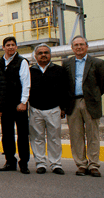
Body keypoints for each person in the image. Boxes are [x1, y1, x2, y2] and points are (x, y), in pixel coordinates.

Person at [63, 36, 104, 177]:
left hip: (90, 103)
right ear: (72, 48)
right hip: (73, 103)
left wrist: (93, 96)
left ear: (87, 46)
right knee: (76, 135)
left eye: (81, 44)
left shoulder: (97, 63)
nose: (79, 47)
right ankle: (81, 165)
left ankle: (93, 165)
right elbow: (64, 84)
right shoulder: (67, 63)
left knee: (93, 135)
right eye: (76, 45)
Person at [29, 44, 68, 175]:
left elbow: (64, 90)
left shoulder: (59, 70)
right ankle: (40, 163)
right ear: (35, 56)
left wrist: (63, 107)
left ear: (50, 55)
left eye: (46, 52)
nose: (43, 55)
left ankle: (56, 164)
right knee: (37, 138)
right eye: (40, 53)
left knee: (54, 138)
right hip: (35, 109)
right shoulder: (30, 71)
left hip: (54, 109)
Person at [0, 36, 31, 174]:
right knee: (7, 134)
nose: (10, 47)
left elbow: (26, 83)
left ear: (16, 47)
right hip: (5, 104)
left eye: (13, 45)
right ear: (3, 47)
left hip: (19, 104)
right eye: (8, 45)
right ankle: (10, 161)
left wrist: (23, 102)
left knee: (22, 134)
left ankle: (24, 163)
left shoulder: (22, 62)